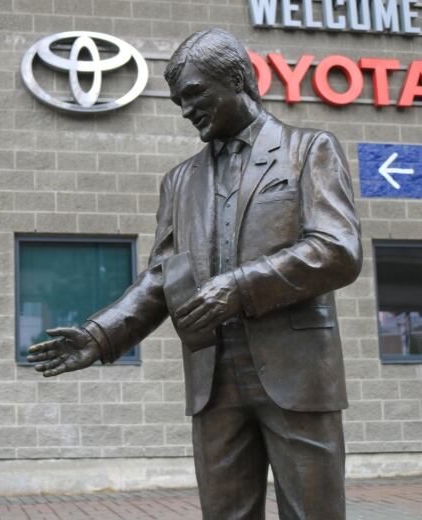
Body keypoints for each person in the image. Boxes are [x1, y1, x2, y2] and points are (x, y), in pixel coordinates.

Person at [28, 28, 361, 520]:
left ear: (238, 80)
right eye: (178, 100)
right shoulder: (181, 181)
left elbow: (337, 249)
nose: (185, 109)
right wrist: (101, 335)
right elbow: (163, 276)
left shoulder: (308, 151)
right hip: (213, 379)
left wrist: (240, 285)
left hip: (297, 371)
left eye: (194, 94)